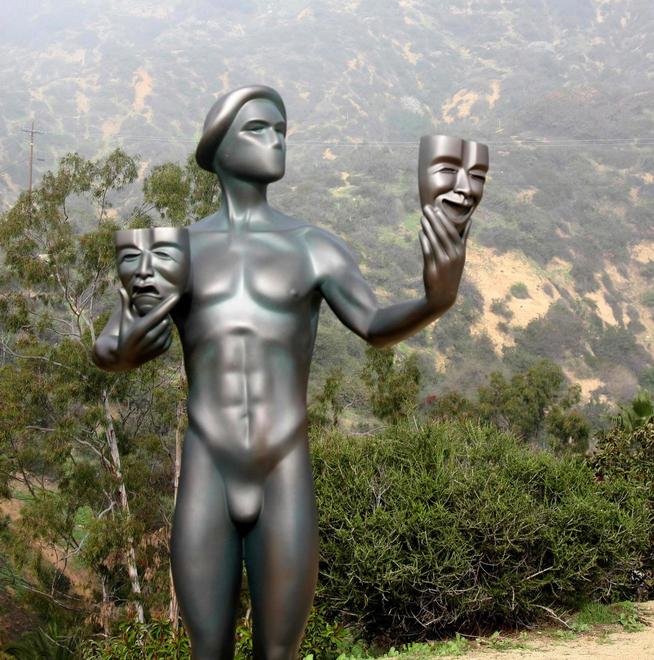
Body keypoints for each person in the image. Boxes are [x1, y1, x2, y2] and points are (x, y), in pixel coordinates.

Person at [93, 84, 477, 660]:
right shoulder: (181, 250)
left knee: (281, 651)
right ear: (217, 148)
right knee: (208, 650)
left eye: (282, 131)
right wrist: (121, 349)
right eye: (259, 129)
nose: (276, 140)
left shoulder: (313, 247)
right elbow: (110, 344)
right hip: (208, 467)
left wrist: (435, 299)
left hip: (284, 469)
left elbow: (372, 324)